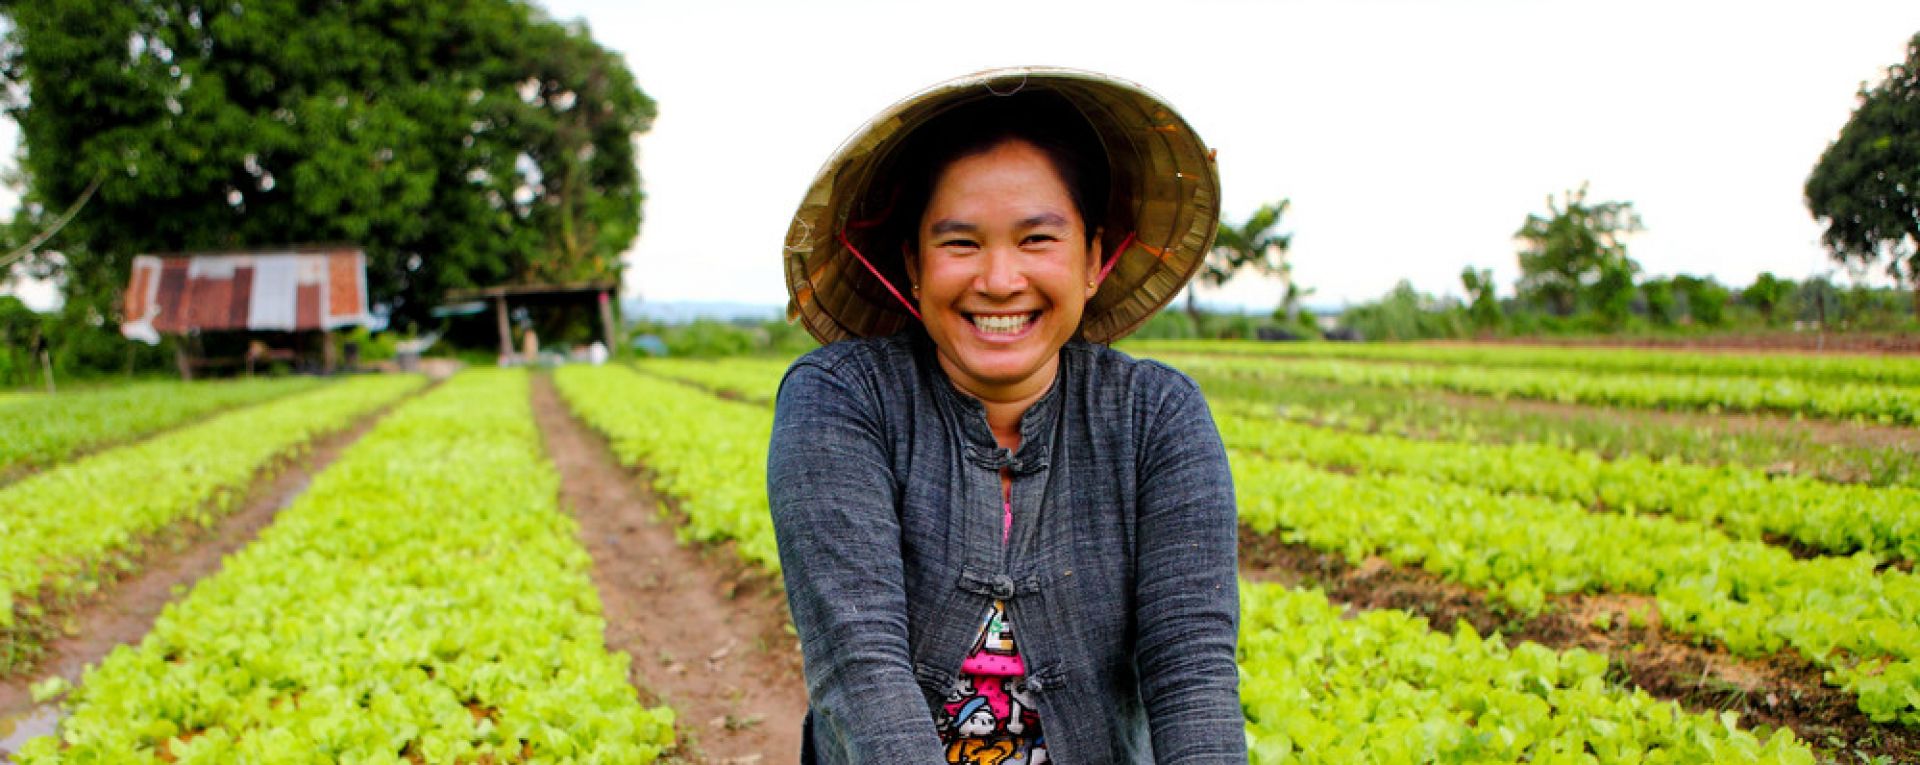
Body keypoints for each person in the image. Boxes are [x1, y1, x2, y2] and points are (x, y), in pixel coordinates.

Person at [769, 68, 1244, 764]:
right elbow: (860, 670)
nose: (998, 279)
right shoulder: (843, 400)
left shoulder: (1157, 418)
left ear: (1092, 258)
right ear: (913, 265)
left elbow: (1193, 676)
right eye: (961, 242)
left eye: (1037, 240)